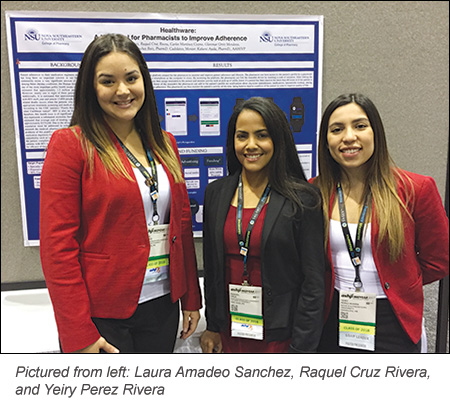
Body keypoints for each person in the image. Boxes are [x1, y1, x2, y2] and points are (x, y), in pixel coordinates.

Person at [40, 34, 202, 353]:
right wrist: (77, 331)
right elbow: (58, 247)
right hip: (102, 313)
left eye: (131, 78)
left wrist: (191, 299)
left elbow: (181, 227)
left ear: (144, 81)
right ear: (91, 87)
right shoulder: (71, 145)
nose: (123, 91)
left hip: (162, 304)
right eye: (108, 81)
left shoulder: (165, 144)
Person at [311, 93, 449, 353]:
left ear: (376, 133)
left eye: (360, 126)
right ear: (326, 141)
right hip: (332, 316)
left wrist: (400, 281)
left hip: (393, 318)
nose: (349, 137)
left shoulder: (415, 189)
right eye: (337, 129)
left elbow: (439, 260)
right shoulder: (314, 192)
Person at [200, 97, 325, 353]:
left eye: (262, 135)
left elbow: (313, 283)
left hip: (281, 335)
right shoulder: (216, 193)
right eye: (242, 136)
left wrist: (301, 348)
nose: (251, 145)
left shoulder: (303, 199)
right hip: (230, 329)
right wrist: (212, 325)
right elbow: (213, 268)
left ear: (278, 140)